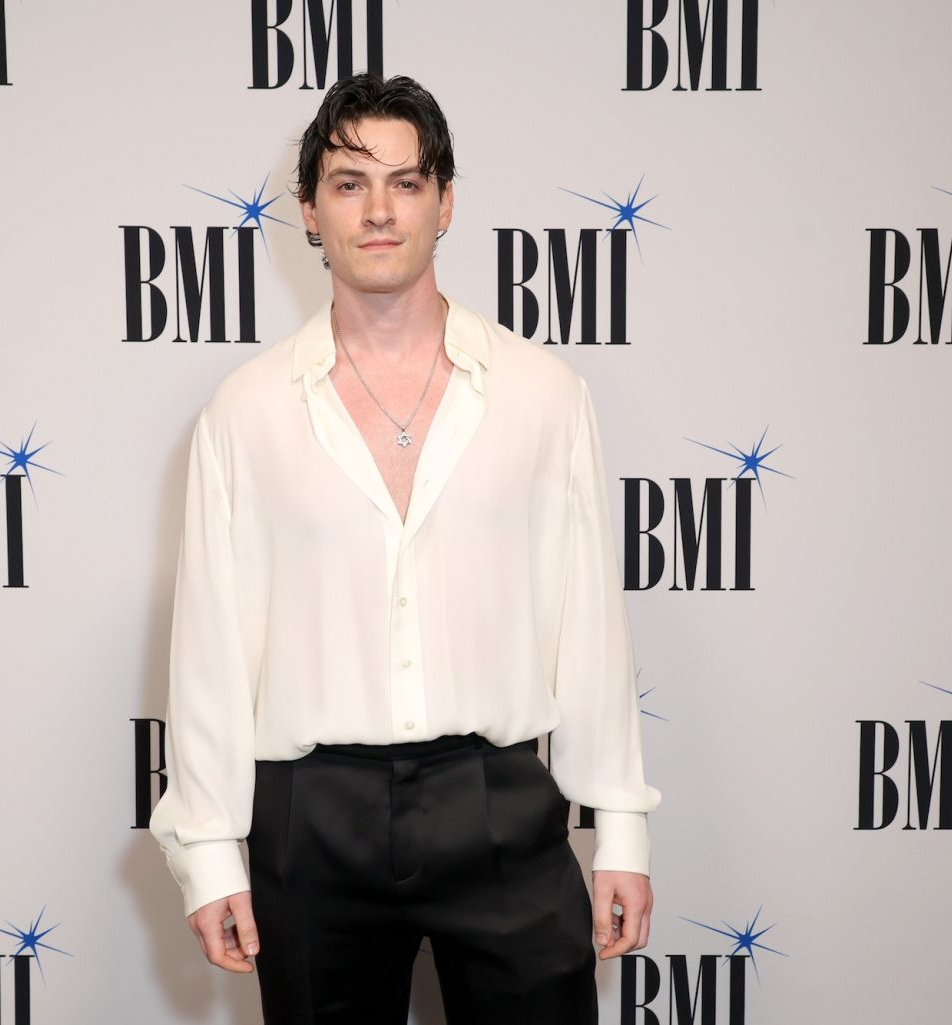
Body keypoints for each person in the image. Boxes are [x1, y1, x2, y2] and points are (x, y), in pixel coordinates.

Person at [149, 72, 662, 1024]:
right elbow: (211, 652)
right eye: (348, 183)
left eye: (408, 181)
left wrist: (620, 826)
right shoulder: (245, 413)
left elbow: (590, 621)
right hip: (312, 814)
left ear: (447, 201)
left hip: (502, 799)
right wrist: (210, 850)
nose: (379, 210)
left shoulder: (545, 394)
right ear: (308, 209)